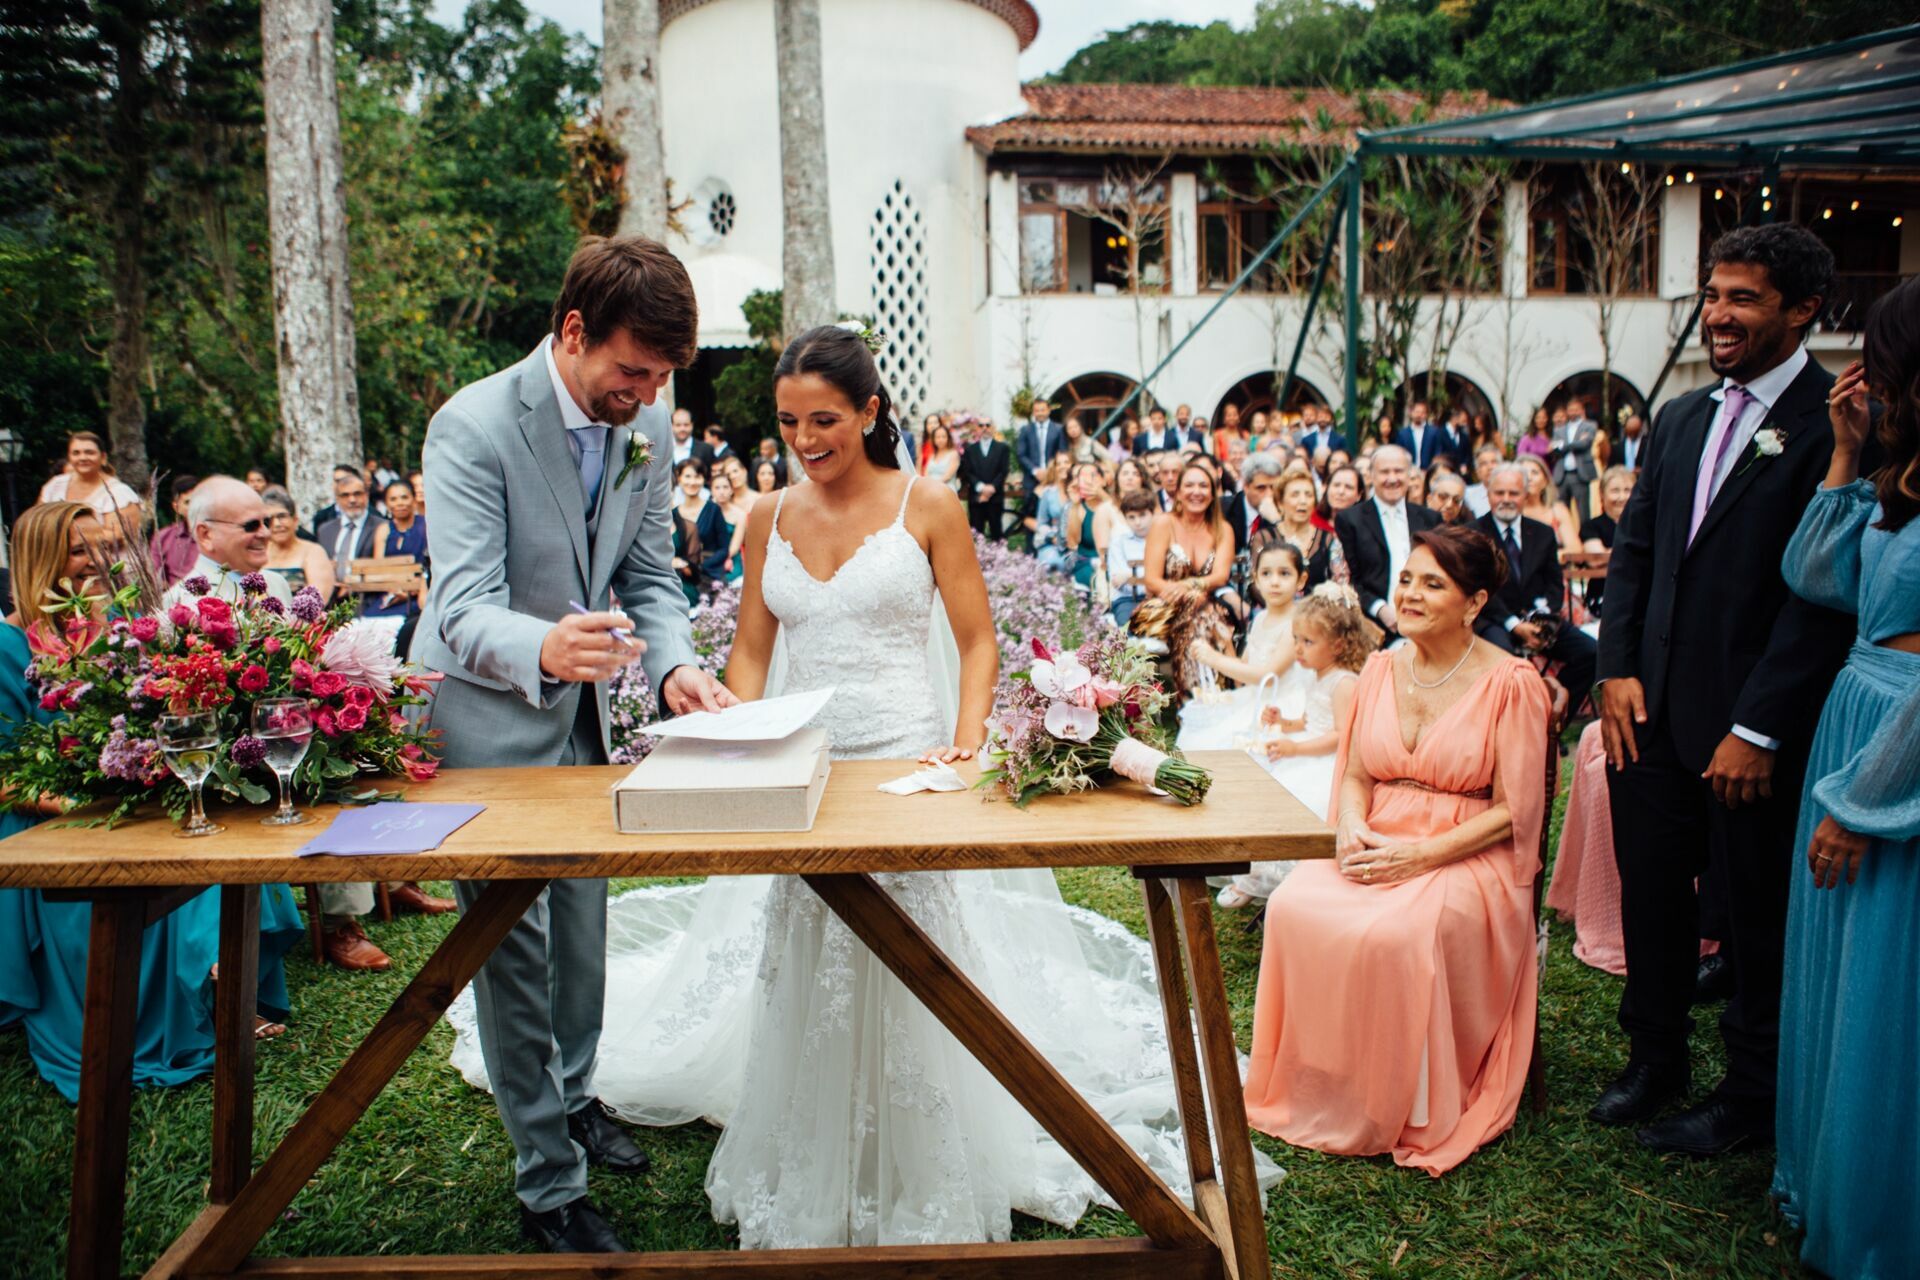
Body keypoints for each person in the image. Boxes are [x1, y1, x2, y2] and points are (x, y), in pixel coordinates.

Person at [446, 323, 1283, 1247]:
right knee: (809, 939)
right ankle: (809, 1132)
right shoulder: (767, 517)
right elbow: (754, 651)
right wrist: (727, 738)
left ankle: (930, 1142)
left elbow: (976, 643)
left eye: (826, 420)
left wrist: (965, 750)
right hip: (803, 767)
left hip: (906, 758)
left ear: (871, 411)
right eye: (789, 422)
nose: (806, 440)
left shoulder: (927, 506)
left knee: (913, 948)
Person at [418, 236, 734, 1254]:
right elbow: (459, 607)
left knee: (585, 930)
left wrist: (677, 664)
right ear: (570, 333)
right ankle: (547, 1183)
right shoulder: (470, 427)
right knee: (515, 951)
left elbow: (650, 578)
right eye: (629, 372)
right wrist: (547, 642)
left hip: (591, 724)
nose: (643, 397)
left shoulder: (648, 428)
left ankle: (575, 1091)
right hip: (489, 723)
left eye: (659, 380)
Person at [1592, 223, 1859, 1157]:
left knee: (1754, 915)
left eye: (1743, 298)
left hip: (1750, 730)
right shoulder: (1681, 417)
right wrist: (1614, 667)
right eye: (1713, 295)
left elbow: (1820, 602)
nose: (1719, 315)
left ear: (1803, 310)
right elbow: (1637, 552)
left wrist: (1760, 726)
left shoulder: (1838, 426)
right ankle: (1654, 1059)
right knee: (1652, 894)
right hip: (1649, 712)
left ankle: (1749, 1097)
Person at [1243, 525, 1550, 1174]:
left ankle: (1403, 1096)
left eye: (1432, 584)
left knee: (1399, 932)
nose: (1409, 594)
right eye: (1407, 579)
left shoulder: (1512, 683)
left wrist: (1425, 855)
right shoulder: (1380, 669)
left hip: (1469, 850)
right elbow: (1355, 774)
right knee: (1294, 905)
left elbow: (1514, 811)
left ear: (1474, 603)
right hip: (1379, 831)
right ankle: (1331, 1077)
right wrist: (1351, 825)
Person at [0, 502, 307, 1097]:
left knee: (213, 823)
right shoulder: (6, 646)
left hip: (125, 788)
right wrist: (75, 803)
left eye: (104, 548)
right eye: (79, 551)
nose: (99, 562)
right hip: (44, 811)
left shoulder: (118, 627)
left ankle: (223, 982)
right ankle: (202, 992)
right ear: (40, 561)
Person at [1772, 280, 1920, 1280]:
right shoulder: (1899, 473)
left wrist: (1866, 802)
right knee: (1832, 958)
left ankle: (1879, 1219)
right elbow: (1813, 572)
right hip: (1854, 707)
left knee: (1883, 980)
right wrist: (1846, 451)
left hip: (1899, 741)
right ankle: (1820, 1172)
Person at [1218, 582, 1374, 908]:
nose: (1298, 649)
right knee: (1256, 792)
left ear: (1339, 645)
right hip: (1308, 744)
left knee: (1289, 803)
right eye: (1296, 641)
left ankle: (1277, 880)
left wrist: (1296, 749)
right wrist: (1285, 723)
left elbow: (1342, 735)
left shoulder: (1344, 681)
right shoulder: (1316, 674)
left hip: (1326, 761)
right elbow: (1310, 720)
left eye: (1308, 642)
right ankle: (1253, 875)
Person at [1473, 463, 1597, 704]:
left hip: (1538, 618)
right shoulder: (1472, 534)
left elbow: (1554, 584)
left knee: (1591, 653)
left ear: (1525, 494)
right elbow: (1478, 588)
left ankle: (1551, 720)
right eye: (1500, 493)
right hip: (1495, 620)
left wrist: (1542, 619)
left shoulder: (1542, 533)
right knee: (1506, 664)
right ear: (1488, 494)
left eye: (1514, 493)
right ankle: (1511, 728)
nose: (1506, 499)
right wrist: (1515, 625)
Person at [1179, 542, 1308, 751]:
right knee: (1206, 736)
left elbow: (1269, 677)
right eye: (1266, 574)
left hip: (1280, 705)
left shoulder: (1297, 622)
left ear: (1300, 580)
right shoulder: (1260, 619)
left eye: (1284, 574)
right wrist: (1226, 645)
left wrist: (1215, 659)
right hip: (1254, 698)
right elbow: (1242, 675)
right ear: (1256, 578)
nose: (1274, 582)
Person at [1335, 445, 1438, 639]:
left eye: (1399, 471)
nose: (1392, 479)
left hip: (1425, 621)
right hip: (1375, 623)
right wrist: (1380, 609)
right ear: (1372, 476)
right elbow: (1350, 580)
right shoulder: (1351, 520)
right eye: (1384, 472)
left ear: (1409, 475)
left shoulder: (1430, 519)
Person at [162, 477, 295, 610]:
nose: (265, 533)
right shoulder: (180, 601)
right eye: (251, 525)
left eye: (266, 523)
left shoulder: (277, 584)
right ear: (206, 535)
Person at [361, 479, 431, 653]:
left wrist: (412, 588)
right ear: (386, 503)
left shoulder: (426, 525)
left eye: (404, 497)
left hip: (416, 595)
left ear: (413, 499)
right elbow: (381, 568)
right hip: (389, 594)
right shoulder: (384, 529)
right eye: (393, 499)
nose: (399, 503)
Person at [37, 431, 142, 536]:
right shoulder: (55, 485)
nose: (82, 458)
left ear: (103, 458)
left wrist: (67, 538)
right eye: (76, 453)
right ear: (69, 458)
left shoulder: (120, 493)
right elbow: (37, 521)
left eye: (89, 452)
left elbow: (116, 536)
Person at [260, 486, 337, 601]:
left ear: (295, 520)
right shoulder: (259, 553)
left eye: (282, 516)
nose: (276, 524)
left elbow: (318, 600)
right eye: (269, 519)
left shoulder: (313, 552)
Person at [1579, 464, 1636, 616]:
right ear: (1602, 495)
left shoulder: (1643, 525)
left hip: (1638, 592)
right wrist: (1635, 550)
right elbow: (1596, 559)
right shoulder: (1592, 526)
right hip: (1604, 594)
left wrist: (1611, 552)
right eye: (1615, 491)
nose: (1622, 497)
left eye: (1627, 490)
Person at [315, 469, 378, 604]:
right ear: (337, 499)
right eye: (345, 495)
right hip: (332, 601)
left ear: (366, 495)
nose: (352, 500)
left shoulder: (381, 527)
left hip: (368, 599)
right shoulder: (325, 530)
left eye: (357, 494)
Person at [673, 459, 727, 592]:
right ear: (679, 478)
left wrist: (700, 566)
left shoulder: (713, 510)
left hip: (709, 573)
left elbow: (723, 548)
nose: (692, 482)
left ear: (703, 480)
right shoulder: (673, 514)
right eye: (687, 476)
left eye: (697, 477)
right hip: (680, 576)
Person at [1105, 488, 1155, 626]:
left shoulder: (1162, 539)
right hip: (1127, 599)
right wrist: (1150, 577)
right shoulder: (1118, 542)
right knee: (1129, 628)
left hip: (1158, 597)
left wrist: (1129, 576)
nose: (1138, 522)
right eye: (1131, 517)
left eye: (1142, 515)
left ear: (1152, 513)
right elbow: (1118, 582)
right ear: (1125, 518)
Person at [1516, 453, 1580, 551]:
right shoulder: (1511, 512)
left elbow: (1575, 548)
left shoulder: (1557, 510)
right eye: (1523, 473)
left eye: (1535, 472)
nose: (1529, 478)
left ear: (1545, 481)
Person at [957, 420, 1009, 540]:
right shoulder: (970, 450)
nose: (985, 428)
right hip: (976, 498)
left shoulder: (1002, 448)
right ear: (977, 429)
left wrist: (991, 488)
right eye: (981, 425)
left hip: (995, 497)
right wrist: (981, 487)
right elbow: (967, 471)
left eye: (988, 425)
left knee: (997, 535)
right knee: (975, 535)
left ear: (993, 427)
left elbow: (1004, 471)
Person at [148, 472, 203, 585]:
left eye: (198, 501)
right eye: (188, 502)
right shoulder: (163, 538)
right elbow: (154, 576)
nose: (194, 507)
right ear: (176, 507)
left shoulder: (219, 535)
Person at [1552, 397, 1601, 522]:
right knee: (1562, 510)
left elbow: (1585, 444)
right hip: (1563, 475)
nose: (1573, 412)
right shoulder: (1559, 429)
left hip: (1580, 474)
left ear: (1581, 410)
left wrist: (1565, 445)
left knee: (1583, 512)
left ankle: (1585, 538)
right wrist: (1576, 442)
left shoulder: (1589, 425)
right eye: (1570, 409)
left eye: (1576, 409)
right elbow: (1556, 448)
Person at [705, 468, 748, 585]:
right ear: (711, 491)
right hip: (708, 556)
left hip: (731, 557)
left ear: (731, 490)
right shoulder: (706, 511)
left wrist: (721, 559)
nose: (722, 491)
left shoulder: (740, 514)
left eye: (725, 487)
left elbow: (735, 546)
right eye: (717, 488)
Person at [1014, 397, 1064, 479]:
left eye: (1043, 410)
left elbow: (1062, 452)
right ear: (1033, 412)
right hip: (1031, 478)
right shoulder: (1025, 430)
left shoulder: (1059, 429)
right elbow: (1021, 455)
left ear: (1049, 410)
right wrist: (1035, 471)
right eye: (1037, 411)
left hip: (1054, 476)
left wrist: (1051, 470)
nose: (1040, 413)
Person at [1395, 400, 1449, 471]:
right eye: (1417, 412)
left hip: (1428, 470)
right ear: (1411, 413)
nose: (1419, 415)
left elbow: (1438, 452)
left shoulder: (1434, 432)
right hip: (1408, 470)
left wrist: (1432, 468)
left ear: (1426, 415)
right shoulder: (1403, 434)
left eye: (1422, 413)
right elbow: (1400, 453)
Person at [1463, 444, 1504, 517]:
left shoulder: (1512, 493)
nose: (1489, 467)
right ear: (1477, 471)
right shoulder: (1468, 495)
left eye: (1494, 462)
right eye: (1483, 464)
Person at [921, 420, 961, 493]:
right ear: (934, 439)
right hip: (930, 490)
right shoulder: (932, 455)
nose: (940, 440)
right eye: (938, 437)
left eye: (943, 437)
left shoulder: (953, 454)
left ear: (948, 438)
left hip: (946, 490)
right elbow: (926, 473)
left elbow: (948, 476)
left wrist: (934, 486)